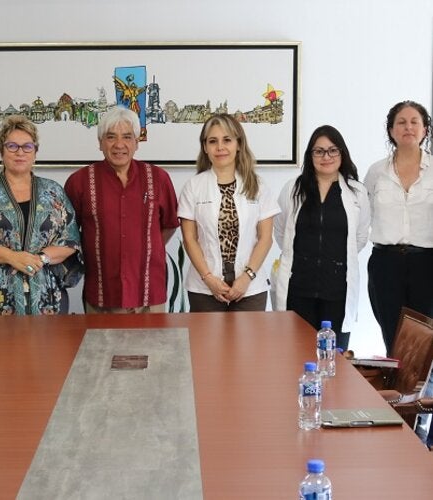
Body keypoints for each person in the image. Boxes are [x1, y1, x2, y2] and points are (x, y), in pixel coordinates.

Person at [0, 115, 83, 325]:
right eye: (12, 146)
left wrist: (40, 259)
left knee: (48, 357)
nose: (20, 152)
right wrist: (11, 257)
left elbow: (70, 240)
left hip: (48, 298)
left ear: (35, 152)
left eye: (27, 146)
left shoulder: (53, 192)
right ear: (1, 151)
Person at [64, 106, 178, 313]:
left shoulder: (159, 178)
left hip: (149, 292)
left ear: (137, 142)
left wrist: (144, 249)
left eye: (127, 137)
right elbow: (69, 235)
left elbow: (169, 225)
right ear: (100, 143)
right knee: (99, 346)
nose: (119, 145)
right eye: (110, 137)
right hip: (101, 293)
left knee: (153, 346)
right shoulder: (79, 182)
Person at [272, 126, 370, 350]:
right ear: (310, 155)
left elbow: (360, 236)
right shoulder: (293, 189)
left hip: (337, 290)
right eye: (319, 151)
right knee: (294, 356)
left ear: (342, 154)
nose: (326, 157)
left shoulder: (357, 192)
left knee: (334, 360)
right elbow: (281, 231)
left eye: (332, 150)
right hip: (299, 288)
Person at [179, 113, 280, 312]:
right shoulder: (193, 187)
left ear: (239, 144)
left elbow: (265, 238)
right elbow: (189, 239)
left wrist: (246, 278)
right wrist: (209, 279)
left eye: (227, 140)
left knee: (248, 344)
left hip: (250, 289)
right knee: (207, 344)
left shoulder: (258, 186)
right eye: (213, 141)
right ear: (205, 147)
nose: (220, 147)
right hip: (204, 289)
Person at [365, 100, 433, 354]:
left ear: (425, 129)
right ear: (391, 130)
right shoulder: (376, 172)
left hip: (426, 262)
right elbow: (363, 216)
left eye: (415, 122)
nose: (408, 127)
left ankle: (424, 393)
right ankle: (396, 391)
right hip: (385, 263)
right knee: (393, 337)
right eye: (401, 122)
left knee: (425, 339)